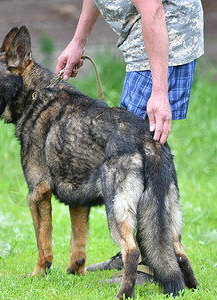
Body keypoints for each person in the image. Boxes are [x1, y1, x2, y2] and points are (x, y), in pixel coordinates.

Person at [55, 0, 204, 282]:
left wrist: (160, 92)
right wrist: (78, 40)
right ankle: (140, 253)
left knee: (143, 150)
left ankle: (151, 262)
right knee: (138, 148)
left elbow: (154, 11)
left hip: (166, 40)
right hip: (140, 47)